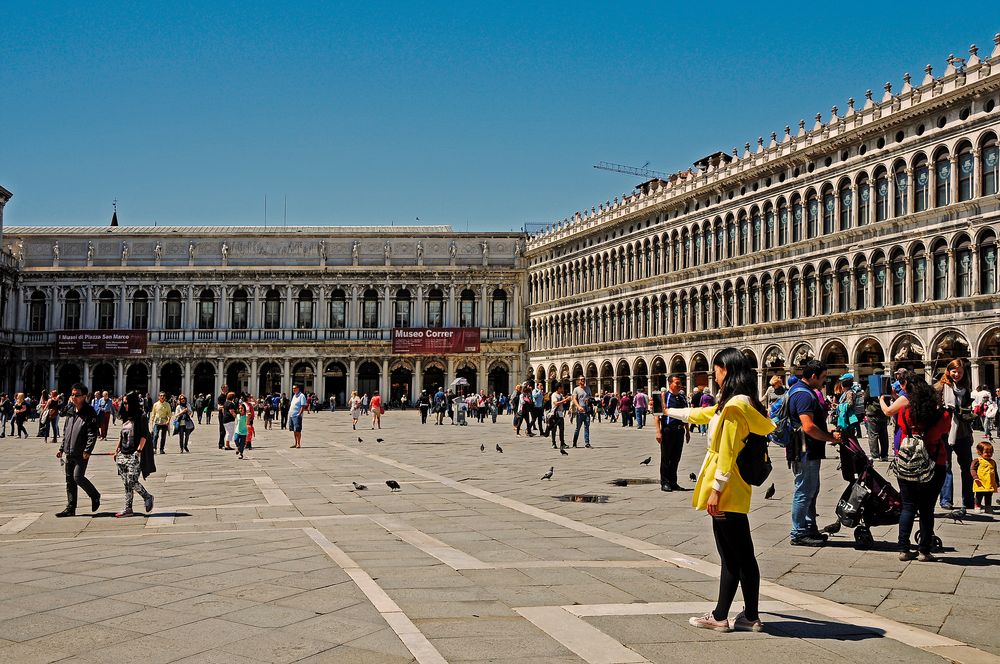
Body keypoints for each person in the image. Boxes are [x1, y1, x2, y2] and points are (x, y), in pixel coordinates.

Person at [665, 347, 774, 633]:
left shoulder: (734, 409)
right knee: (744, 555)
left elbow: (726, 452)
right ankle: (749, 615)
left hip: (726, 486)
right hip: (737, 487)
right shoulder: (740, 403)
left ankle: (720, 616)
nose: (714, 374)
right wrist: (669, 411)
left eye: (716, 369)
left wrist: (716, 490)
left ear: (727, 370)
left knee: (731, 556)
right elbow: (703, 414)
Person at [893, 375, 949, 561]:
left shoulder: (904, 413)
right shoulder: (941, 415)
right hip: (934, 464)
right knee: (926, 509)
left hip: (907, 463)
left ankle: (903, 549)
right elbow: (943, 431)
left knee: (908, 507)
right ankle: (924, 551)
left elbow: (901, 427)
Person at [787, 360, 841, 547]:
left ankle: (809, 528)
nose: (825, 381)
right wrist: (830, 437)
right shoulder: (804, 396)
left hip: (806, 450)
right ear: (813, 376)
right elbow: (808, 426)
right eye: (823, 377)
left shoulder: (801, 391)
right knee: (804, 491)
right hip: (805, 451)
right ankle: (798, 533)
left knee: (811, 490)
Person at [55, 383, 101, 517]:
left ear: (84, 397)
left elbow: (93, 433)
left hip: (81, 452)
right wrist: (61, 448)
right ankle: (70, 508)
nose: (74, 397)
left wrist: (88, 450)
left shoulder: (89, 412)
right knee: (69, 481)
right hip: (69, 450)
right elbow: (66, 431)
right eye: (72, 394)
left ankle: (95, 495)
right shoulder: (70, 410)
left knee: (78, 477)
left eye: (77, 395)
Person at [935, 359, 975, 513]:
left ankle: (969, 499)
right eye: (954, 371)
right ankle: (946, 500)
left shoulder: (966, 389)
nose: (957, 374)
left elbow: (966, 412)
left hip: (963, 433)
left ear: (964, 373)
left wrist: (970, 430)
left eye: (960, 371)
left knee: (967, 466)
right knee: (946, 467)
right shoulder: (940, 387)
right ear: (948, 371)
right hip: (945, 433)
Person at [112, 392, 154, 518]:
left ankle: (147, 496)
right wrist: (117, 449)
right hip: (123, 453)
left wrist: (139, 451)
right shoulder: (126, 416)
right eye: (123, 403)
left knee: (131, 480)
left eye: (126, 403)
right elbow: (122, 434)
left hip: (134, 453)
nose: (124, 405)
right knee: (126, 483)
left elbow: (144, 434)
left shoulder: (141, 416)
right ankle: (128, 508)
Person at [658, 375, 690, 492]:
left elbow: (685, 415)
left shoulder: (682, 397)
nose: (679, 385)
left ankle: (673, 482)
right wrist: (658, 432)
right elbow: (656, 415)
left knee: (676, 457)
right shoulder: (664, 396)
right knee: (666, 457)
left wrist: (687, 431)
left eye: (680, 383)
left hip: (679, 430)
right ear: (670, 384)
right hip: (668, 430)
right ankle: (665, 482)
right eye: (677, 383)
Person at [881, 368, 912, 455]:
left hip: (903, 425)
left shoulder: (906, 395)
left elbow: (888, 411)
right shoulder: (915, 393)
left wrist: (881, 399)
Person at [971, 440, 997, 513]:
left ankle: (988, 507)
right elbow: (972, 469)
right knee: (979, 495)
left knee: (989, 495)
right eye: (986, 452)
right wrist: (975, 478)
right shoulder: (977, 461)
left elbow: (995, 472)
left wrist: (997, 482)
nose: (989, 454)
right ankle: (977, 506)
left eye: (991, 452)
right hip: (980, 482)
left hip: (990, 482)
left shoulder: (993, 462)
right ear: (980, 452)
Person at [571, 377, 593, 448]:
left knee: (587, 427)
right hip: (579, 412)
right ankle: (574, 443)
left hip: (587, 411)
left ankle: (587, 443)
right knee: (578, 428)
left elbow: (590, 397)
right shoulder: (576, 389)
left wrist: (589, 399)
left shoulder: (588, 388)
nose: (583, 380)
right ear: (578, 381)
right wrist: (578, 406)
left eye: (584, 379)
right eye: (581, 379)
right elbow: (574, 399)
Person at [549, 382, 571, 450]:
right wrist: (565, 399)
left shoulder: (561, 395)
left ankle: (562, 443)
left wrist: (567, 399)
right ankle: (553, 443)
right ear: (559, 388)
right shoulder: (554, 395)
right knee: (554, 429)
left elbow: (563, 402)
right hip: (555, 414)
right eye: (562, 387)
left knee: (561, 429)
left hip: (560, 414)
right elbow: (556, 403)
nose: (563, 389)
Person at [217, 384, 229, 449]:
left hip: (226, 415)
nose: (227, 388)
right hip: (222, 415)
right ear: (222, 388)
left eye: (227, 387)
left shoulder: (227, 396)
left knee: (226, 430)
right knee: (222, 430)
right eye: (226, 387)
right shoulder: (220, 397)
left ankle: (223, 443)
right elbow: (219, 407)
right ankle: (221, 444)